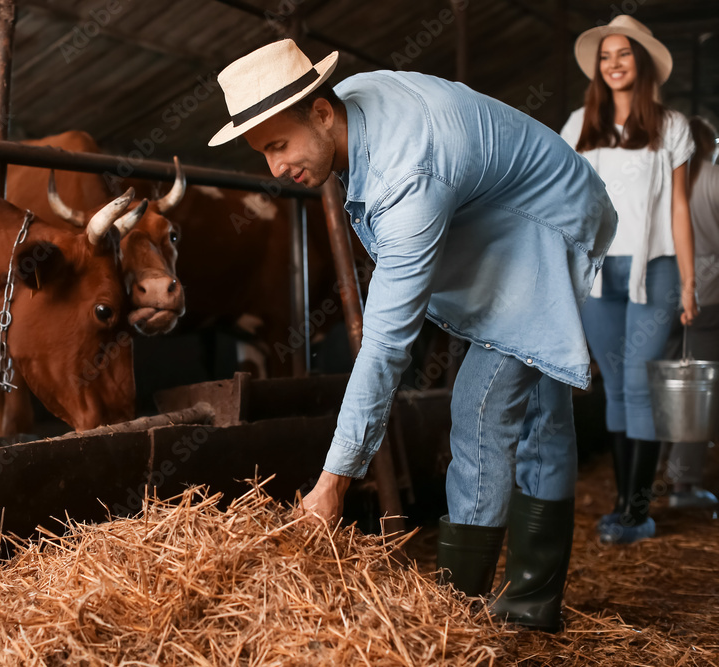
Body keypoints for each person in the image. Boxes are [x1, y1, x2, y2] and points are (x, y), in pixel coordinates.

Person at [208, 39, 616, 631]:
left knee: (480, 409)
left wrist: (333, 483)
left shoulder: (406, 175)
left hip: (547, 223)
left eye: (278, 145)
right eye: (262, 152)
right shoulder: (353, 107)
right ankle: (535, 602)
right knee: (543, 415)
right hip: (519, 209)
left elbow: (385, 346)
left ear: (322, 113)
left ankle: (454, 618)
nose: (275, 169)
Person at [559, 15, 698, 544]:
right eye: (606, 56)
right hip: (598, 274)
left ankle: (638, 512)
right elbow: (563, 199)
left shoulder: (672, 127)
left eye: (624, 54)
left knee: (640, 384)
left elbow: (679, 209)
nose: (614, 63)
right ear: (599, 67)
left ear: (640, 63)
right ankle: (623, 505)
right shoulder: (579, 126)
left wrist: (688, 282)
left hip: (656, 269)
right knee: (615, 386)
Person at [663, 116, 719, 508]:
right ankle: (683, 484)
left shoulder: (667, 182)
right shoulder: (714, 180)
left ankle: (659, 465)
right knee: (698, 389)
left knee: (664, 379)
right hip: (706, 294)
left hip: (661, 290)